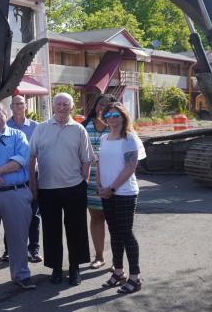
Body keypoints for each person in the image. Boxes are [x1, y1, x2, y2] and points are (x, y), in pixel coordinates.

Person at [28, 92, 92, 285]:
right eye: (59, 104)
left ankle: (75, 268)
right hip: (47, 188)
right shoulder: (41, 129)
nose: (62, 107)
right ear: (53, 106)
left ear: (72, 107)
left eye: (66, 104)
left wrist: (84, 183)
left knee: (76, 230)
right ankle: (56, 269)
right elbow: (32, 158)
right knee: (51, 230)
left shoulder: (79, 129)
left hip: (74, 187)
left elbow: (87, 159)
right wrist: (33, 185)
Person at [0, 102, 35, 289]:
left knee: (18, 237)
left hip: (15, 193)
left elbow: (21, 160)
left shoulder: (18, 135)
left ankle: (21, 274)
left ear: (6, 115)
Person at [97, 102, 147, 295]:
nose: (112, 117)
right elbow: (100, 162)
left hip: (124, 192)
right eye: (108, 114)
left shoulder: (129, 138)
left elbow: (130, 167)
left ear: (123, 116)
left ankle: (135, 277)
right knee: (114, 233)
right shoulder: (104, 138)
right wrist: (101, 186)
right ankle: (118, 272)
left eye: (116, 114)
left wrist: (112, 188)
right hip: (107, 192)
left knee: (126, 233)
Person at [6, 95, 41, 264]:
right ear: (11, 107)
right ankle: (8, 250)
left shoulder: (36, 127)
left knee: (33, 215)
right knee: (11, 214)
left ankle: (33, 249)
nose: (18, 106)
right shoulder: (5, 127)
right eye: (15, 104)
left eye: (21, 103)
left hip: (33, 176)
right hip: (12, 177)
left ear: (26, 106)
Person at [84, 94, 116, 269]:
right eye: (100, 103)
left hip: (112, 183)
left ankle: (117, 261)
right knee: (96, 218)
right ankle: (99, 256)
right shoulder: (84, 126)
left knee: (114, 221)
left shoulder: (116, 128)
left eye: (107, 104)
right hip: (91, 182)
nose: (102, 106)